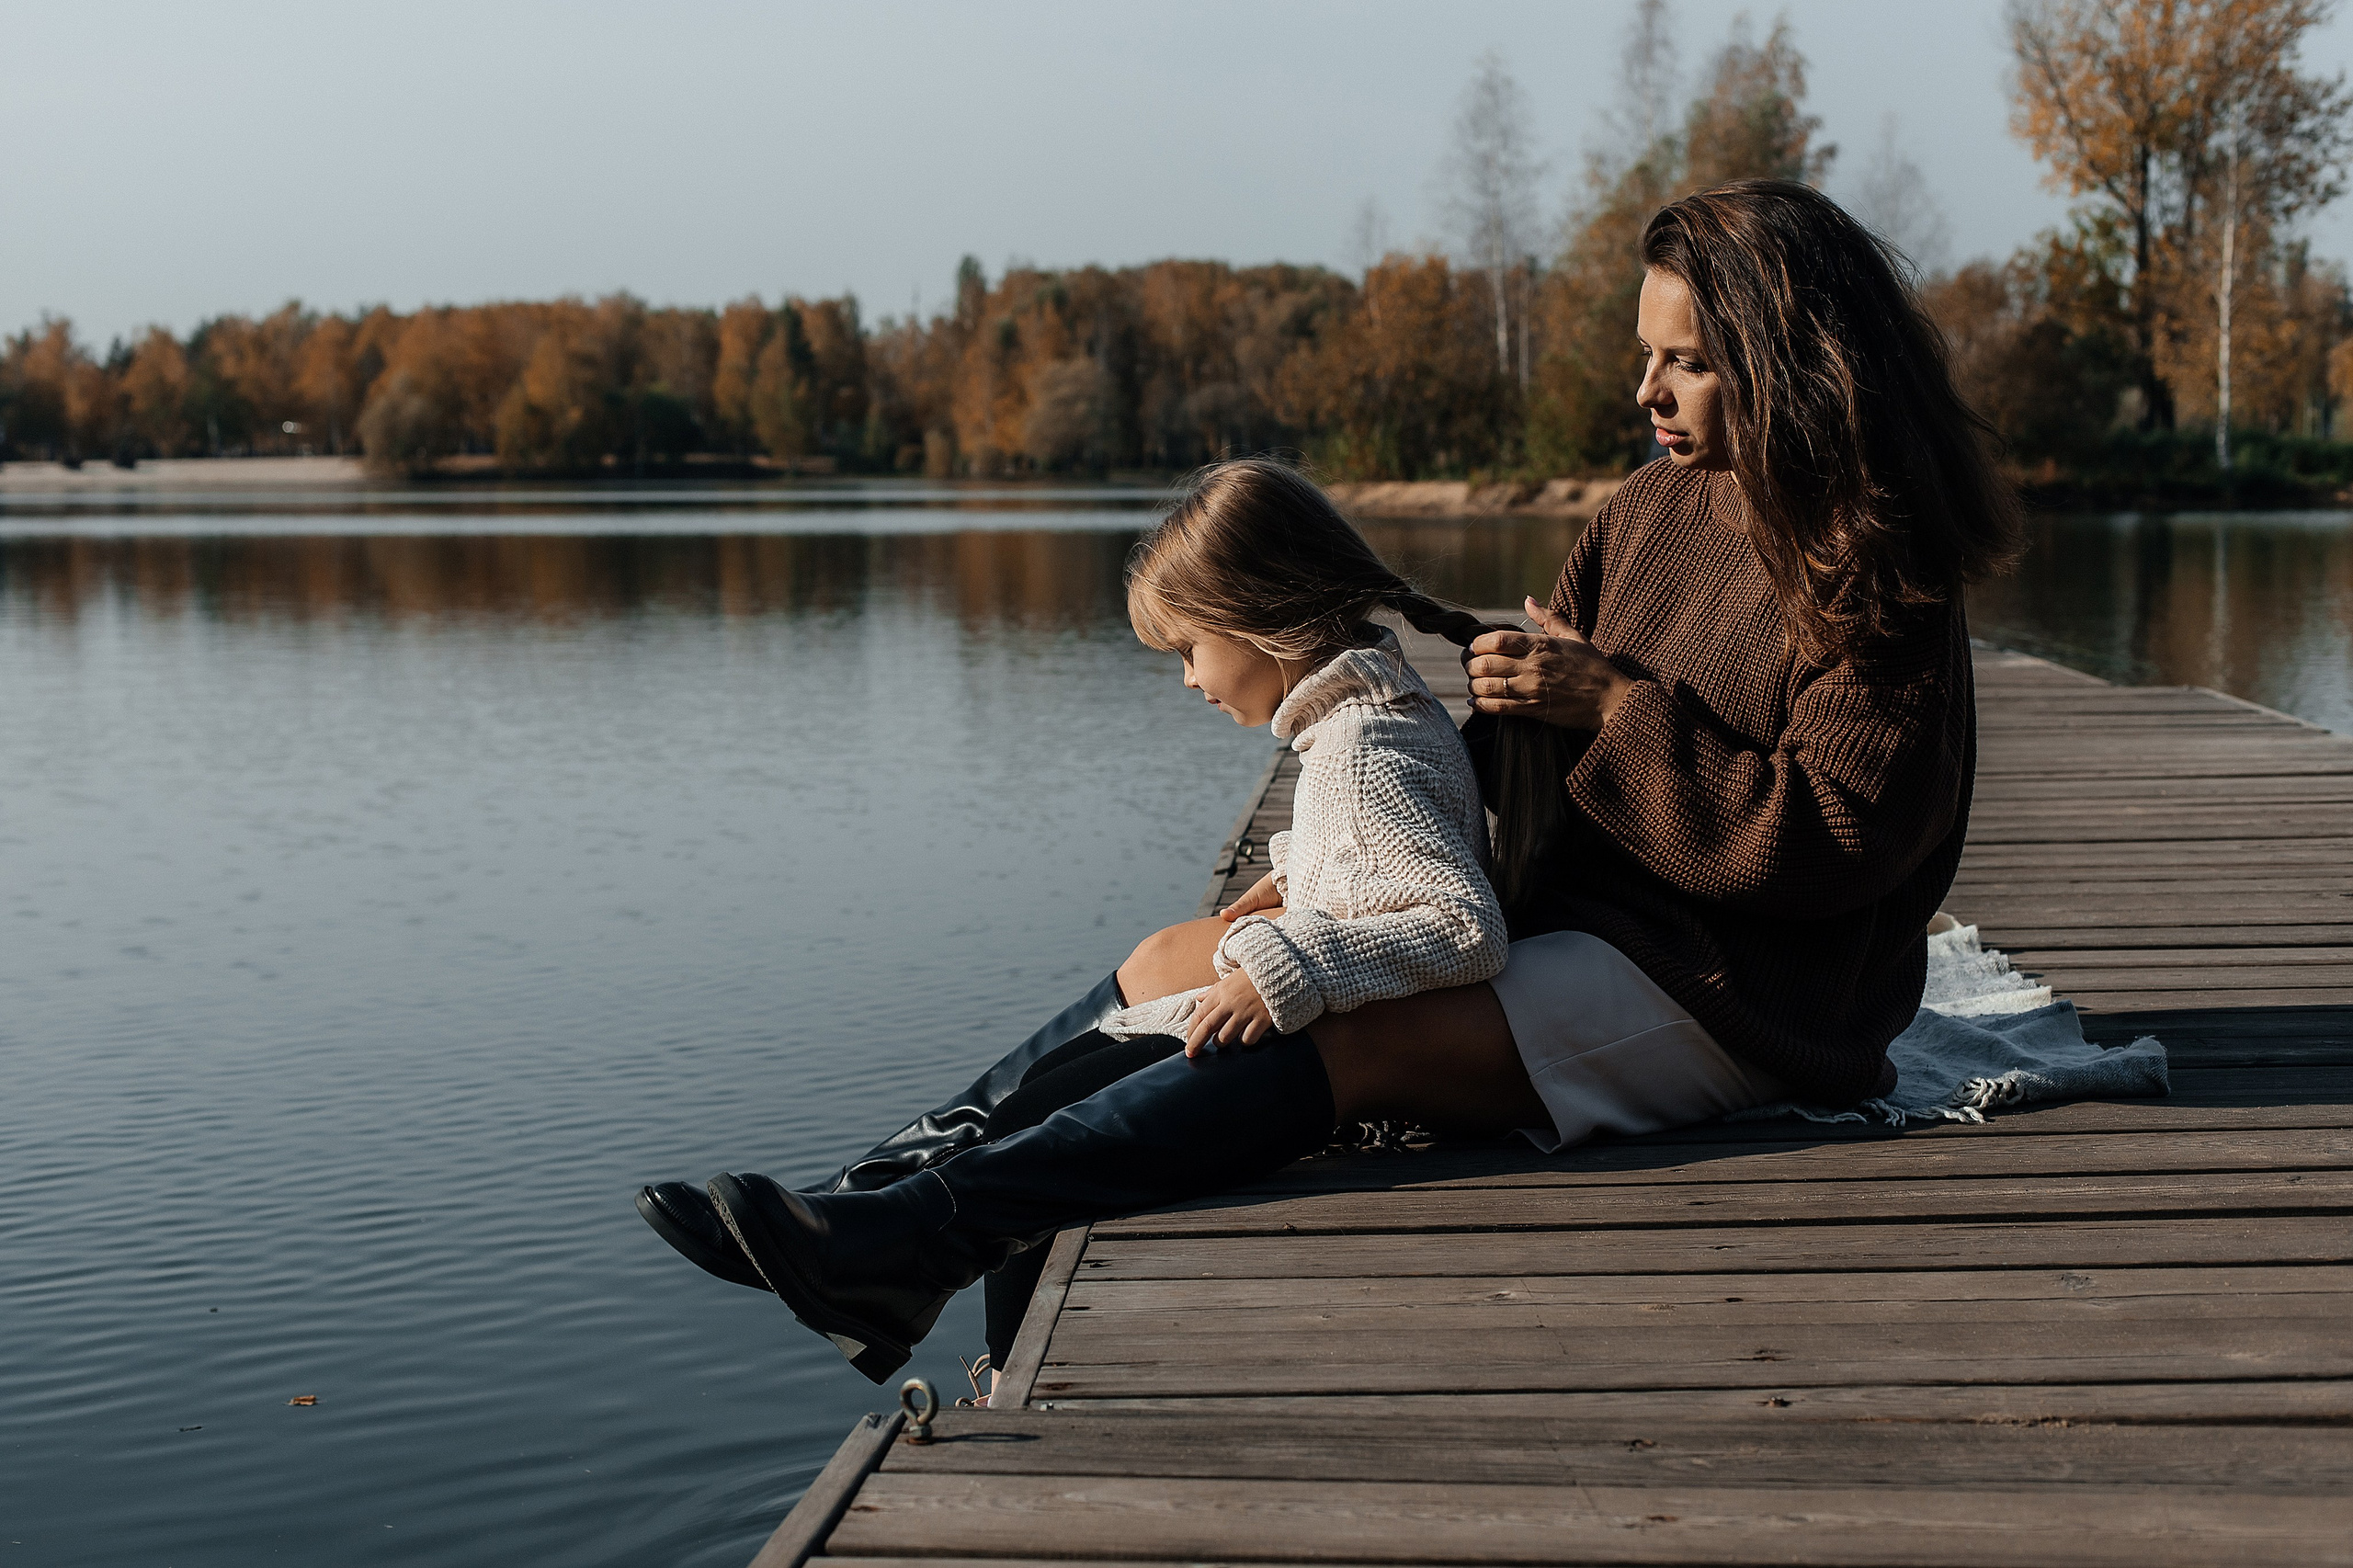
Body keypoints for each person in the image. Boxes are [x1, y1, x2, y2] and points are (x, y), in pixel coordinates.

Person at [639, 176, 2020, 1390]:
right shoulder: (1647, 511)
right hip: (1575, 919)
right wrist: (1371, 846)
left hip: (1738, 991)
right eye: (1645, 356)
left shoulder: (1875, 572)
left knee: (1325, 1032)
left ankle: (936, 1230)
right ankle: (878, 1197)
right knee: (1180, 955)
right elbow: (1524, 758)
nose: (1645, 394)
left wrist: (1613, 704)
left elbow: (1835, 844)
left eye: (1689, 364)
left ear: (1789, 364)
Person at [640, 456, 1541, 1382]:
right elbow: (1385, 848)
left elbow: (1463, 925)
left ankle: (914, 1281)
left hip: (1353, 1051)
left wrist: (1294, 967)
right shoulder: (1361, 716)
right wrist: (1299, 873)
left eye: (1188, 649)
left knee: (1050, 1113)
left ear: (1257, 620)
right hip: (1338, 1012)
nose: (1187, 679)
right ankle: (867, 1206)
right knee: (1063, 1081)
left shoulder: (1363, 747)